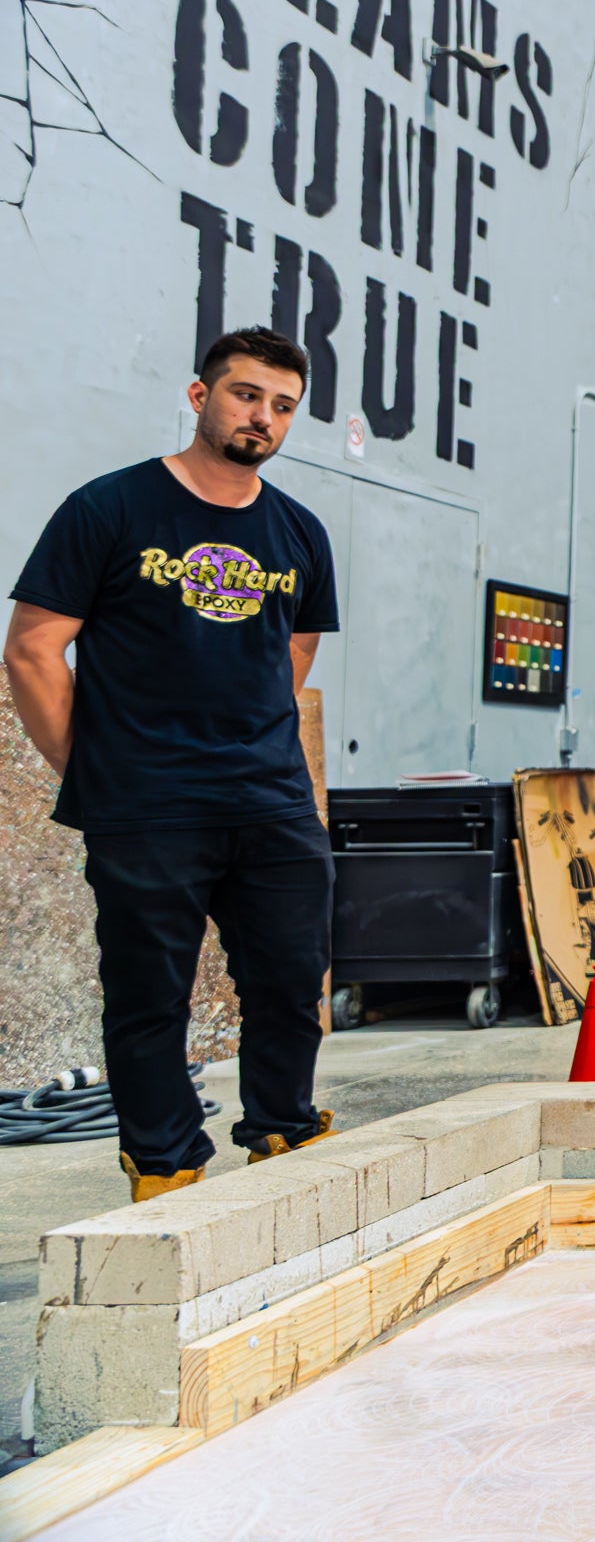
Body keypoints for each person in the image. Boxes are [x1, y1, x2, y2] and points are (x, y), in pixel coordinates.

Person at [5, 328, 341, 1202]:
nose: (261, 417)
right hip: (145, 804)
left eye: (281, 406)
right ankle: (163, 1162)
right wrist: (92, 764)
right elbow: (35, 651)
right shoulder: (109, 509)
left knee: (290, 977)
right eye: (244, 395)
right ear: (201, 398)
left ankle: (283, 1129)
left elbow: (292, 654)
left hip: (269, 799)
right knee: (150, 997)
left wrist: (249, 736)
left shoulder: (299, 531)